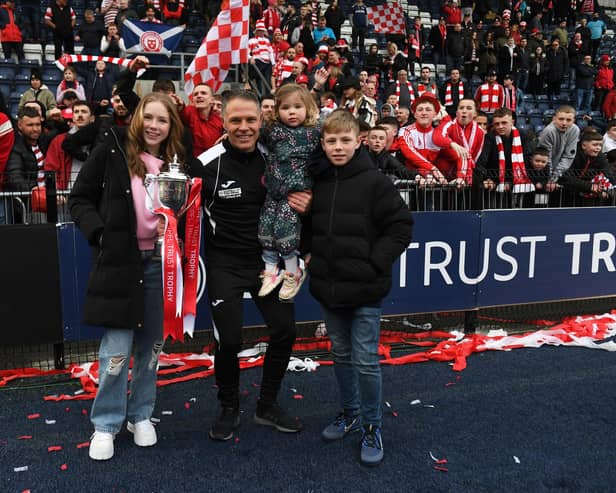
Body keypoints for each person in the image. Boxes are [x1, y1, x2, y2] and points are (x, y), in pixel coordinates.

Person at [68, 92, 187, 461]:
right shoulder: (112, 149)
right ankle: (105, 423)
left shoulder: (180, 163)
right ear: (137, 118)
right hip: (120, 262)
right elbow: (79, 199)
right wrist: (101, 234)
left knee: (151, 349)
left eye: (162, 120)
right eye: (148, 117)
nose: (154, 125)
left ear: (171, 127)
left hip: (160, 265)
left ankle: (141, 415)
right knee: (117, 351)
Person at [192, 90, 308, 441]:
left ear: (262, 119)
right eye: (235, 120)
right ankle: (229, 407)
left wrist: (308, 201)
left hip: (266, 264)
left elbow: (304, 188)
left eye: (250, 120)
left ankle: (267, 404)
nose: (243, 127)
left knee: (285, 331)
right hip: (224, 264)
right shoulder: (204, 162)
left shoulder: (276, 158)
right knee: (228, 340)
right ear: (223, 121)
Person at [307, 109, 413, 466]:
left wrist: (374, 262)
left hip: (366, 289)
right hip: (329, 288)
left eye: (345, 140)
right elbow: (313, 230)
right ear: (322, 143)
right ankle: (349, 412)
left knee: (366, 360)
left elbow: (401, 226)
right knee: (339, 354)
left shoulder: (376, 182)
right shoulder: (318, 181)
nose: (337, 147)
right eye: (331, 141)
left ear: (359, 141)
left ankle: (372, 425)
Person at [258, 84, 320, 301]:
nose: (291, 112)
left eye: (297, 107)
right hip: (274, 190)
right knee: (265, 227)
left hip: (295, 192)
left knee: (285, 230)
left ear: (308, 108)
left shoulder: (315, 133)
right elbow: (253, 134)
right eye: (285, 108)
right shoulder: (273, 130)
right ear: (277, 110)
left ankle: (293, 271)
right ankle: (271, 269)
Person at [536, 105, 580, 188]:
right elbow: (546, 158)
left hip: (560, 172)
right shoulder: (549, 131)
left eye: (568, 120)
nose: (564, 123)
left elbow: (569, 156)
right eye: (561, 119)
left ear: (573, 120)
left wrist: (555, 178)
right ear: (554, 119)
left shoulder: (575, 130)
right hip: (543, 171)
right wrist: (549, 180)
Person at [177, 83, 223, 157]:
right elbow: (182, 113)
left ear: (212, 100)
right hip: (192, 162)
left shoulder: (219, 121)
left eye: (203, 93)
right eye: (195, 94)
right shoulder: (190, 111)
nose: (199, 96)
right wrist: (180, 106)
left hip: (213, 162)